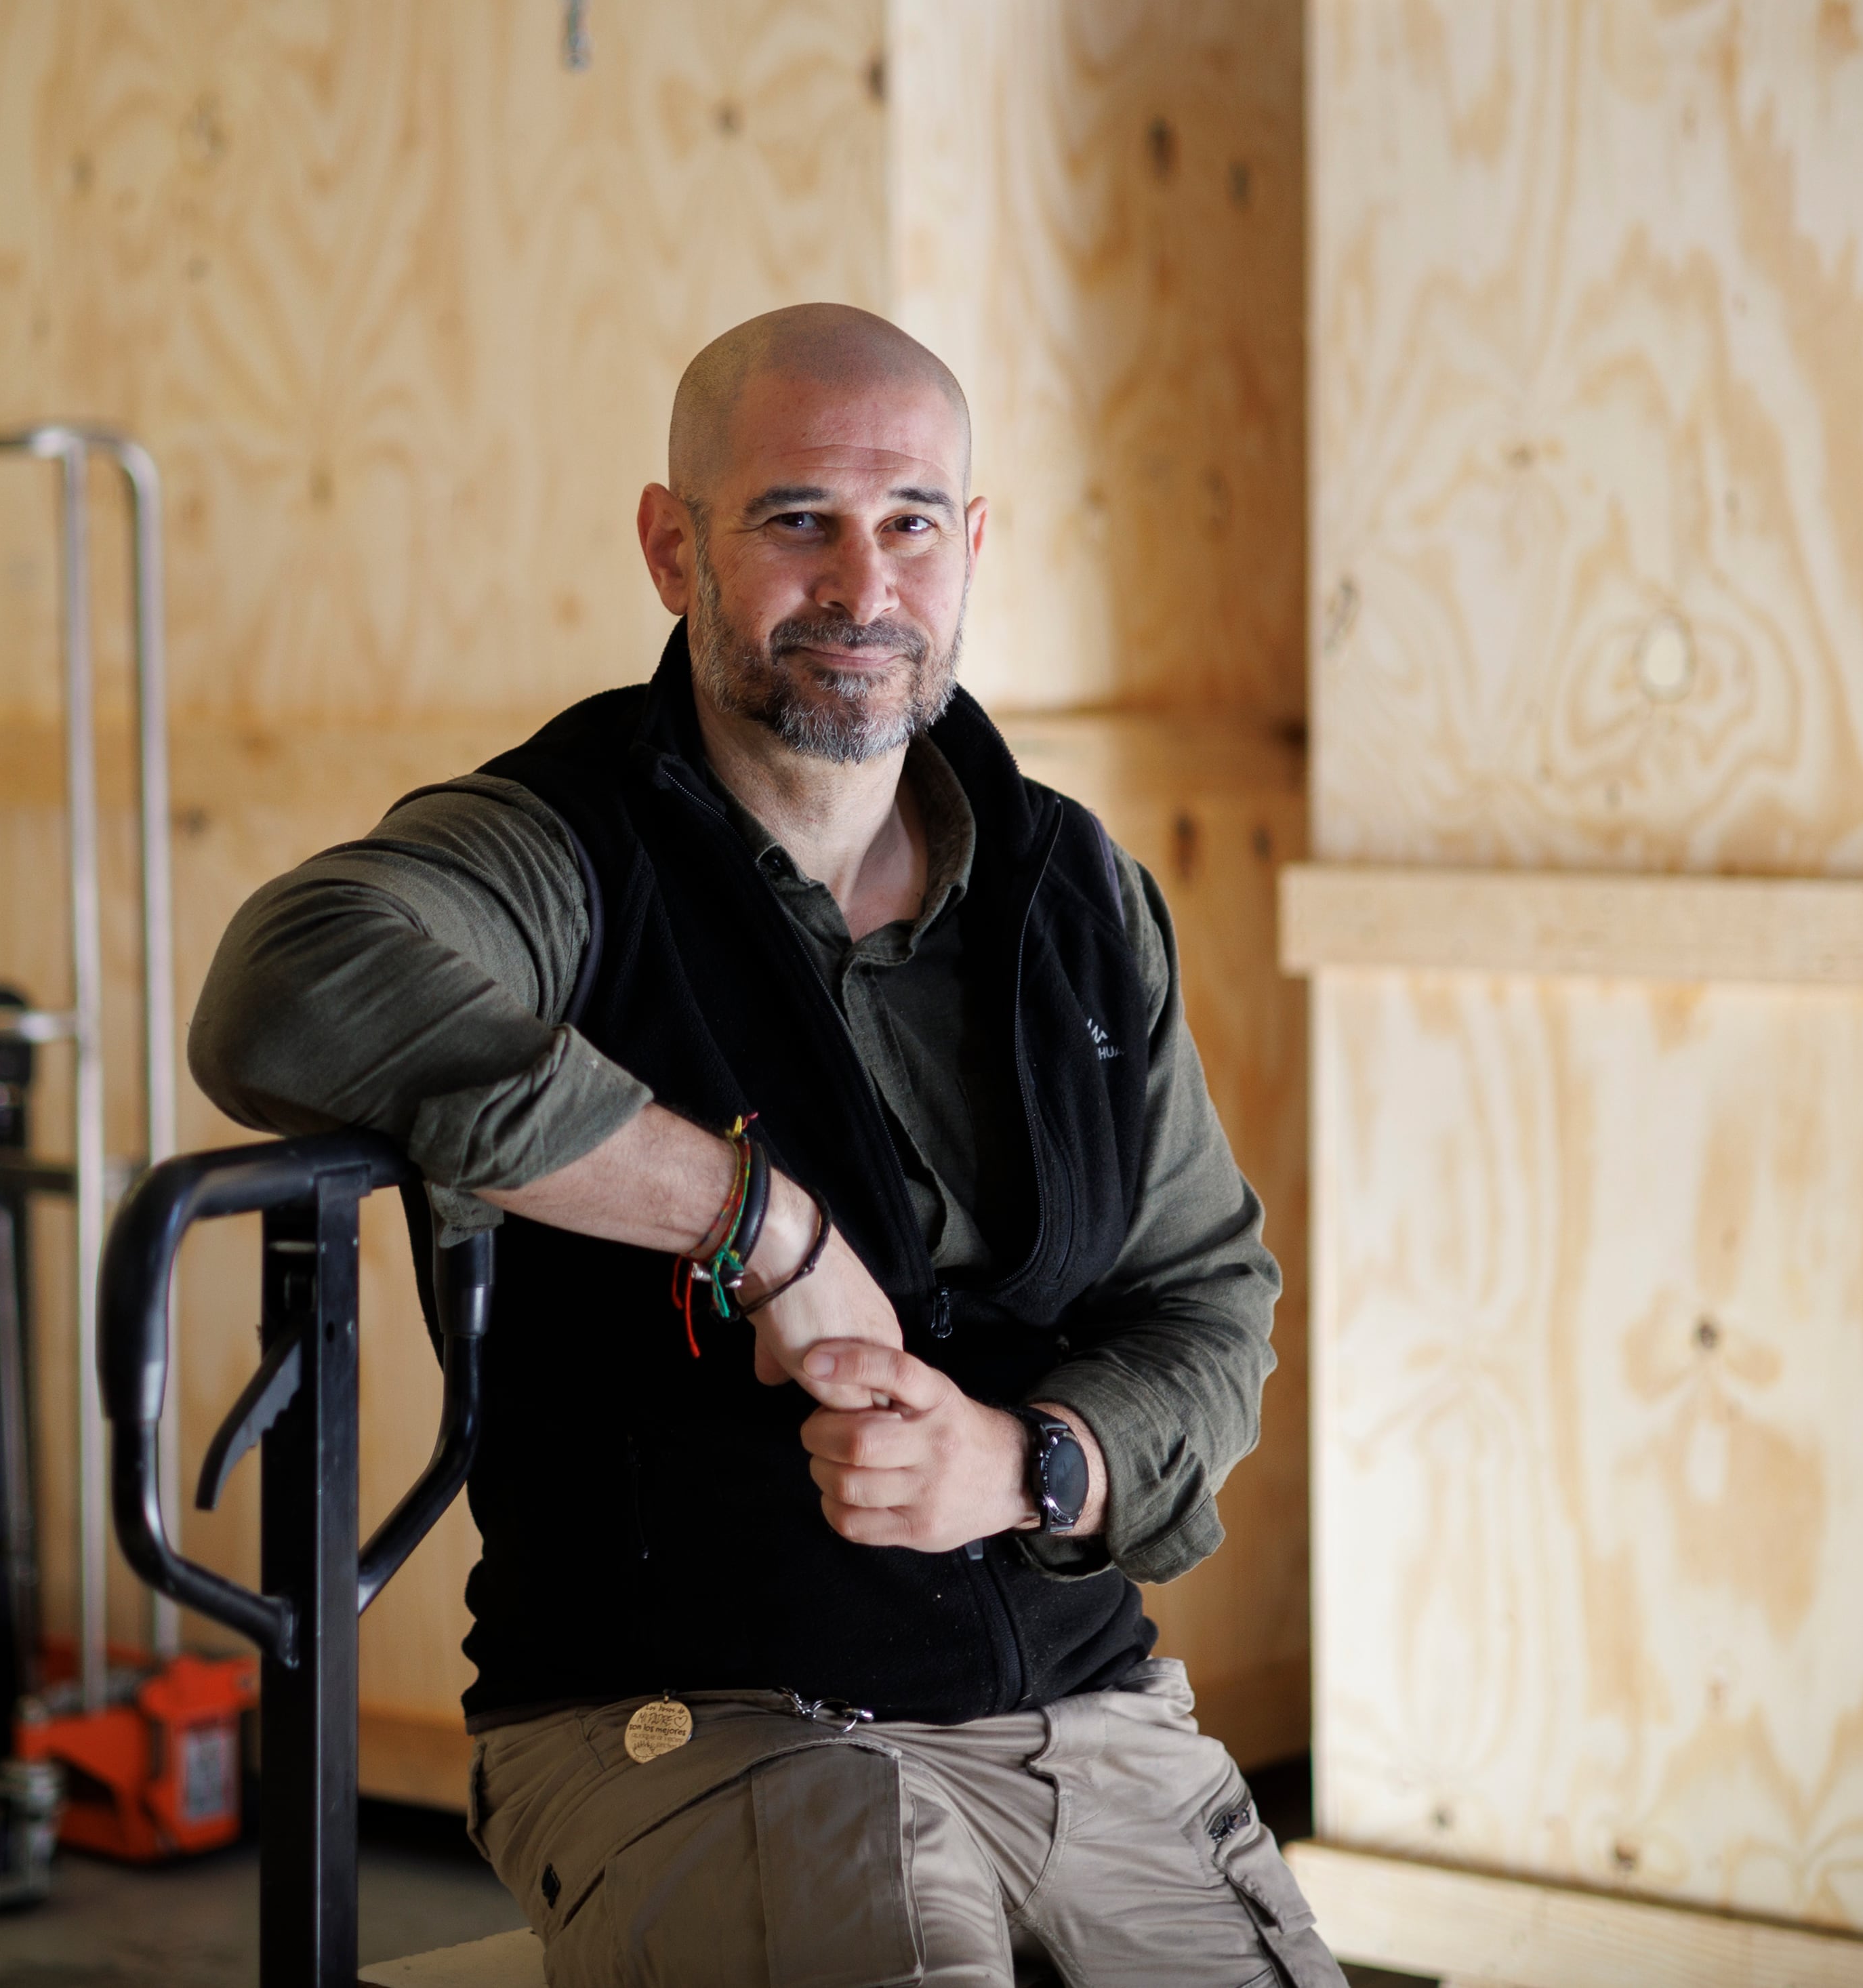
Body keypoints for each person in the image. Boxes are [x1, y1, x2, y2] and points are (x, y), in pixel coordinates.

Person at [190, 304, 1340, 1987]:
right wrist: (756, 1225)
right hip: (709, 1723)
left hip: (1093, 1725)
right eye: (796, 517)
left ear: (970, 547)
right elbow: (285, 985)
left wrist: (1030, 1463)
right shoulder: (557, 847)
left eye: (911, 523)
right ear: (674, 548)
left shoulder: (1074, 890)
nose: (864, 586)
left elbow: (1206, 1298)